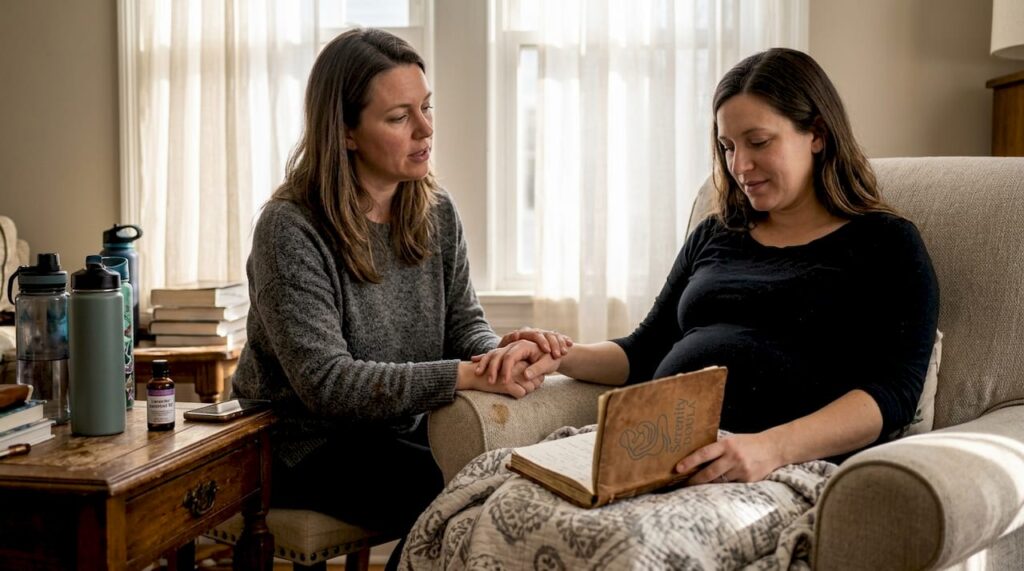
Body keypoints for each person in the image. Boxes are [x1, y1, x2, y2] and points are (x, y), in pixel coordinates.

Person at [475, 47, 939, 486]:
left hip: (773, 466)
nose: (740, 165)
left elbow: (892, 393)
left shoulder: (886, 243)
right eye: (728, 147)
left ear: (816, 134)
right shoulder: (716, 234)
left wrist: (769, 448)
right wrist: (560, 355)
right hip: (653, 453)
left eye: (758, 142)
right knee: (484, 510)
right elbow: (643, 351)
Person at [230, 28, 570, 569]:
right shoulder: (289, 228)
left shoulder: (436, 210)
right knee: (465, 500)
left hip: (398, 431)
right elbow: (327, 384)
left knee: (506, 482)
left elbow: (466, 326)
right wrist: (465, 375)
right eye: (399, 117)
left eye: (426, 108)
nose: (426, 129)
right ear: (344, 131)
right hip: (305, 446)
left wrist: (501, 353)